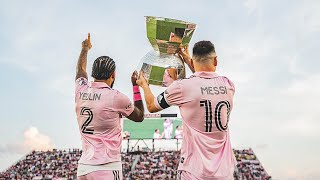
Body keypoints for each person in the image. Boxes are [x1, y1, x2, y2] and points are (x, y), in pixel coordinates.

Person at [136, 41, 236, 179]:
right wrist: (189, 58)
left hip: (193, 171)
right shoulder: (228, 85)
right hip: (224, 172)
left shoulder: (182, 87)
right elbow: (204, 80)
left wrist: (144, 85)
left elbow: (152, 106)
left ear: (194, 62)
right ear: (216, 60)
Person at [75, 33, 145, 180]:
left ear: (93, 73)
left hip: (83, 169)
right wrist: (136, 87)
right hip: (106, 167)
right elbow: (139, 116)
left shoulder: (80, 89)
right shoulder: (115, 97)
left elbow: (80, 71)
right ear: (113, 74)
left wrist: (85, 49)